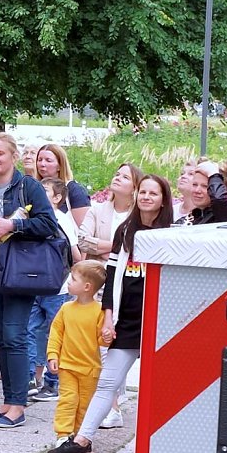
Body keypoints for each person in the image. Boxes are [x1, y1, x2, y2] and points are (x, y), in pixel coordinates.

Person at [49, 175, 174, 453]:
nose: (146, 197)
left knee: (154, 389)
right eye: (143, 192)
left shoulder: (171, 233)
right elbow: (114, 274)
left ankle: (148, 448)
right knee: (108, 382)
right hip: (126, 320)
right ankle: (82, 441)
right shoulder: (126, 230)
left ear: (163, 199)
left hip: (159, 321)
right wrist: (108, 316)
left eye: (153, 193)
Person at [0, 132, 58, 429]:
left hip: (18, 276)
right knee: (2, 338)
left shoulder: (28, 188)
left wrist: (13, 224)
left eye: (0, 153)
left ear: (13, 156)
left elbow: (47, 224)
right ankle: (8, 401)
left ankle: (18, 406)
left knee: (15, 337)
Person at [78, 163, 142, 429]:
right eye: (117, 173)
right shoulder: (97, 209)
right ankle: (110, 404)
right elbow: (82, 240)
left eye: (125, 176)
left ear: (134, 186)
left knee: (112, 349)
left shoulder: (137, 216)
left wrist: (111, 251)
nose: (117, 177)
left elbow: (139, 248)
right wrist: (119, 249)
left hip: (123, 289)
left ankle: (113, 406)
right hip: (95, 283)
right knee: (99, 345)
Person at [27, 178, 83, 403]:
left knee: (56, 334)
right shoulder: (30, 216)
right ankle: (30, 377)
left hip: (57, 287)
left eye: (45, 191)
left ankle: (53, 381)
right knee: (29, 330)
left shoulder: (61, 219)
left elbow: (74, 253)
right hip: (33, 285)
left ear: (58, 198)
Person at [43, 260, 107, 453]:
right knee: (68, 399)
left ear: (87, 287)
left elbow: (102, 341)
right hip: (67, 367)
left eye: (73, 279)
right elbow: (56, 333)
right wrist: (53, 354)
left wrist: (106, 337)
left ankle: (80, 436)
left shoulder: (100, 311)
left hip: (90, 369)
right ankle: (63, 434)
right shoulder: (66, 309)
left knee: (85, 404)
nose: (69, 282)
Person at [35, 143, 91, 226]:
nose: (42, 164)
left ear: (60, 166)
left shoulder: (74, 191)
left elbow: (83, 229)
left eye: (48, 160)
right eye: (39, 160)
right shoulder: (33, 189)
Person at [190, 159, 227, 225]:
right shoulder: (192, 218)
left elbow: (218, 199)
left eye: (205, 186)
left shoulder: (225, 215)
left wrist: (214, 174)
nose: (197, 190)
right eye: (194, 185)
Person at [172, 161, 195, 225]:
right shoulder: (171, 210)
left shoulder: (205, 214)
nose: (183, 176)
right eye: (182, 173)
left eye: (191, 174)